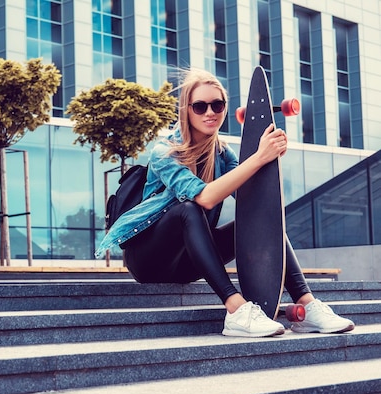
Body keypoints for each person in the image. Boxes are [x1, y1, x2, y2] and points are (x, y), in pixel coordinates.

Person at [95, 68, 355, 338]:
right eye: (200, 106)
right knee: (188, 209)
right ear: (186, 110)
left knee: (265, 223)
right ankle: (236, 310)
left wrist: (269, 159)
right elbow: (205, 198)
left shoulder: (222, 153)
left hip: (188, 264)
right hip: (149, 261)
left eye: (217, 105)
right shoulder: (165, 152)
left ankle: (307, 305)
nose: (210, 112)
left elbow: (253, 201)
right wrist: (258, 158)